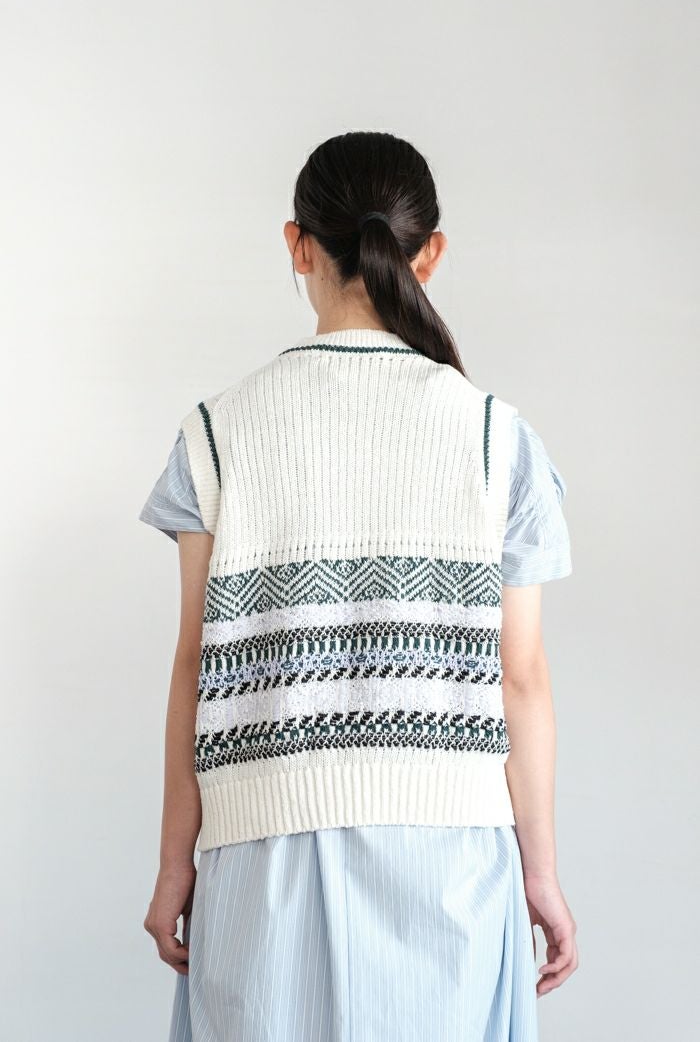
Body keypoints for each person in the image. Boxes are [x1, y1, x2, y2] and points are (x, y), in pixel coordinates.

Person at [140, 130, 578, 1042]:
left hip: (259, 857)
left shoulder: (215, 435)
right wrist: (539, 872)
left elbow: (194, 665)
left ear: (297, 245)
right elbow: (521, 678)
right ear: (431, 253)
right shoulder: (498, 440)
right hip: (453, 861)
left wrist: (175, 861)